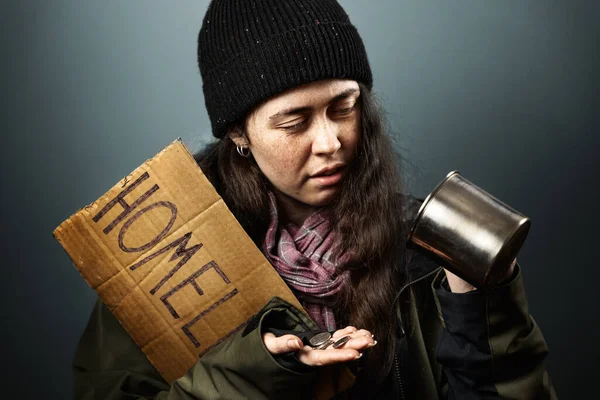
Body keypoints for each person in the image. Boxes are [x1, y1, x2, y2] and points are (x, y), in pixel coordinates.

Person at [72, 0, 557, 399]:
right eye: (294, 122)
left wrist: (483, 304)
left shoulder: (427, 245)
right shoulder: (165, 259)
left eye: (342, 108)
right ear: (240, 132)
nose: (330, 142)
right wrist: (260, 371)